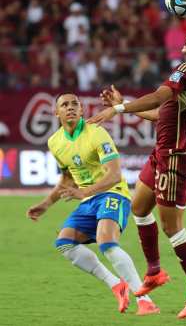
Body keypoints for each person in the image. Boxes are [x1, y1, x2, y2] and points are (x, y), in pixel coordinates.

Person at [87, 15, 186, 319]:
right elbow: (162, 112)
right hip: (161, 152)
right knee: (139, 208)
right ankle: (154, 271)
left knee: (172, 227)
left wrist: (118, 109)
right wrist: (124, 103)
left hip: (175, 157)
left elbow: (158, 96)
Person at [26, 93, 159, 316]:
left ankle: (145, 300)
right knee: (65, 243)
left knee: (105, 241)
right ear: (56, 112)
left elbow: (115, 174)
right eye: (64, 105)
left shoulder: (96, 133)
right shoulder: (55, 142)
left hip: (112, 193)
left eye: (75, 104)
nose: (70, 108)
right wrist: (46, 204)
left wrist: (83, 192)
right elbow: (67, 179)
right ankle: (117, 285)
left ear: (81, 110)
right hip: (88, 199)